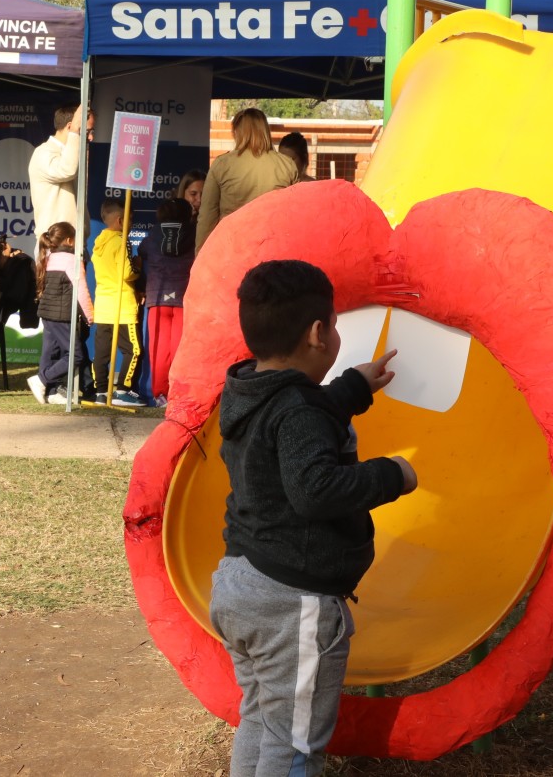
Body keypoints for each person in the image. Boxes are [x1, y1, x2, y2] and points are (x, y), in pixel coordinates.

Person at [210, 259, 416, 777]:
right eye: (337, 324)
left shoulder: (249, 390)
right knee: (295, 745)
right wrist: (391, 475)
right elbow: (315, 488)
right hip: (290, 602)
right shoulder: (297, 409)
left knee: (261, 722)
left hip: (241, 583)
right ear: (318, 332)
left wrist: (353, 387)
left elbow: (298, 416)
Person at [195, 108, 298, 252]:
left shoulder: (223, 164)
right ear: (265, 131)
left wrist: (200, 255)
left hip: (232, 247)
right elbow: (295, 214)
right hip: (273, 247)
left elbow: (207, 216)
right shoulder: (287, 165)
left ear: (237, 132)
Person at [28, 222, 93, 406]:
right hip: (62, 315)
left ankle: (50, 391)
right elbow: (81, 290)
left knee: (49, 352)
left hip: (47, 313)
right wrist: (89, 314)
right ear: (70, 240)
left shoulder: (48, 257)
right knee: (76, 354)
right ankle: (41, 380)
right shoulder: (72, 260)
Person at [140, 197, 196, 407]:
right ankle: (178, 391)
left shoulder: (153, 234)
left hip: (157, 296)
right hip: (184, 296)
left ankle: (160, 393)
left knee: (159, 347)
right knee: (180, 346)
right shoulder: (194, 232)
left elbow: (142, 251)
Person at [90, 198, 142, 406]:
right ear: (121, 221)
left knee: (101, 353)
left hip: (103, 306)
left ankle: (101, 391)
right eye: (130, 221)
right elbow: (127, 273)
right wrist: (138, 266)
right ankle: (123, 390)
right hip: (122, 306)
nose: (131, 225)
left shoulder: (99, 243)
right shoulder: (121, 241)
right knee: (133, 350)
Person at [28, 103, 93, 238]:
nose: (91, 138)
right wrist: (75, 132)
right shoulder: (43, 153)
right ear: (70, 126)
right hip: (55, 245)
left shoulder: (72, 153)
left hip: (74, 244)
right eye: (87, 132)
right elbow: (67, 170)